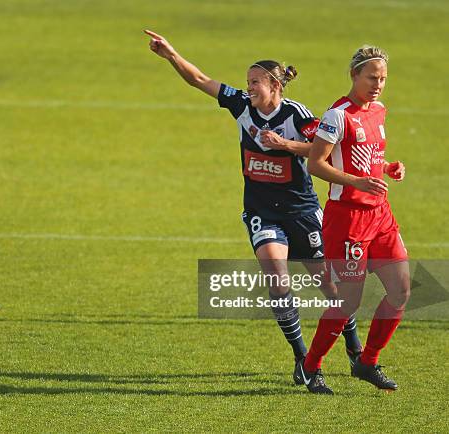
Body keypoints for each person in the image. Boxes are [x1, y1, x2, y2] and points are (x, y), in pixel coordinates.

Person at [144, 30, 362, 383]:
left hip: (301, 210)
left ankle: (354, 350)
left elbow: (325, 149)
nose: (248, 88)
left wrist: (285, 145)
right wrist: (171, 55)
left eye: (256, 82)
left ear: (275, 86)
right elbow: (200, 80)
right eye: (247, 81)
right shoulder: (242, 107)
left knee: (330, 287)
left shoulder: (297, 115)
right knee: (277, 277)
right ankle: (303, 360)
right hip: (263, 211)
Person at [298, 46, 409, 394]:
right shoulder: (336, 115)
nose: (378, 84)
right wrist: (356, 182)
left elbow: (368, 155)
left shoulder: (378, 110)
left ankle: (368, 361)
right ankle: (310, 366)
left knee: (401, 290)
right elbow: (316, 164)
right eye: (372, 77)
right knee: (347, 301)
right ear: (354, 76)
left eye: (383, 79)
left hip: (380, 214)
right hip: (347, 219)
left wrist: (388, 168)